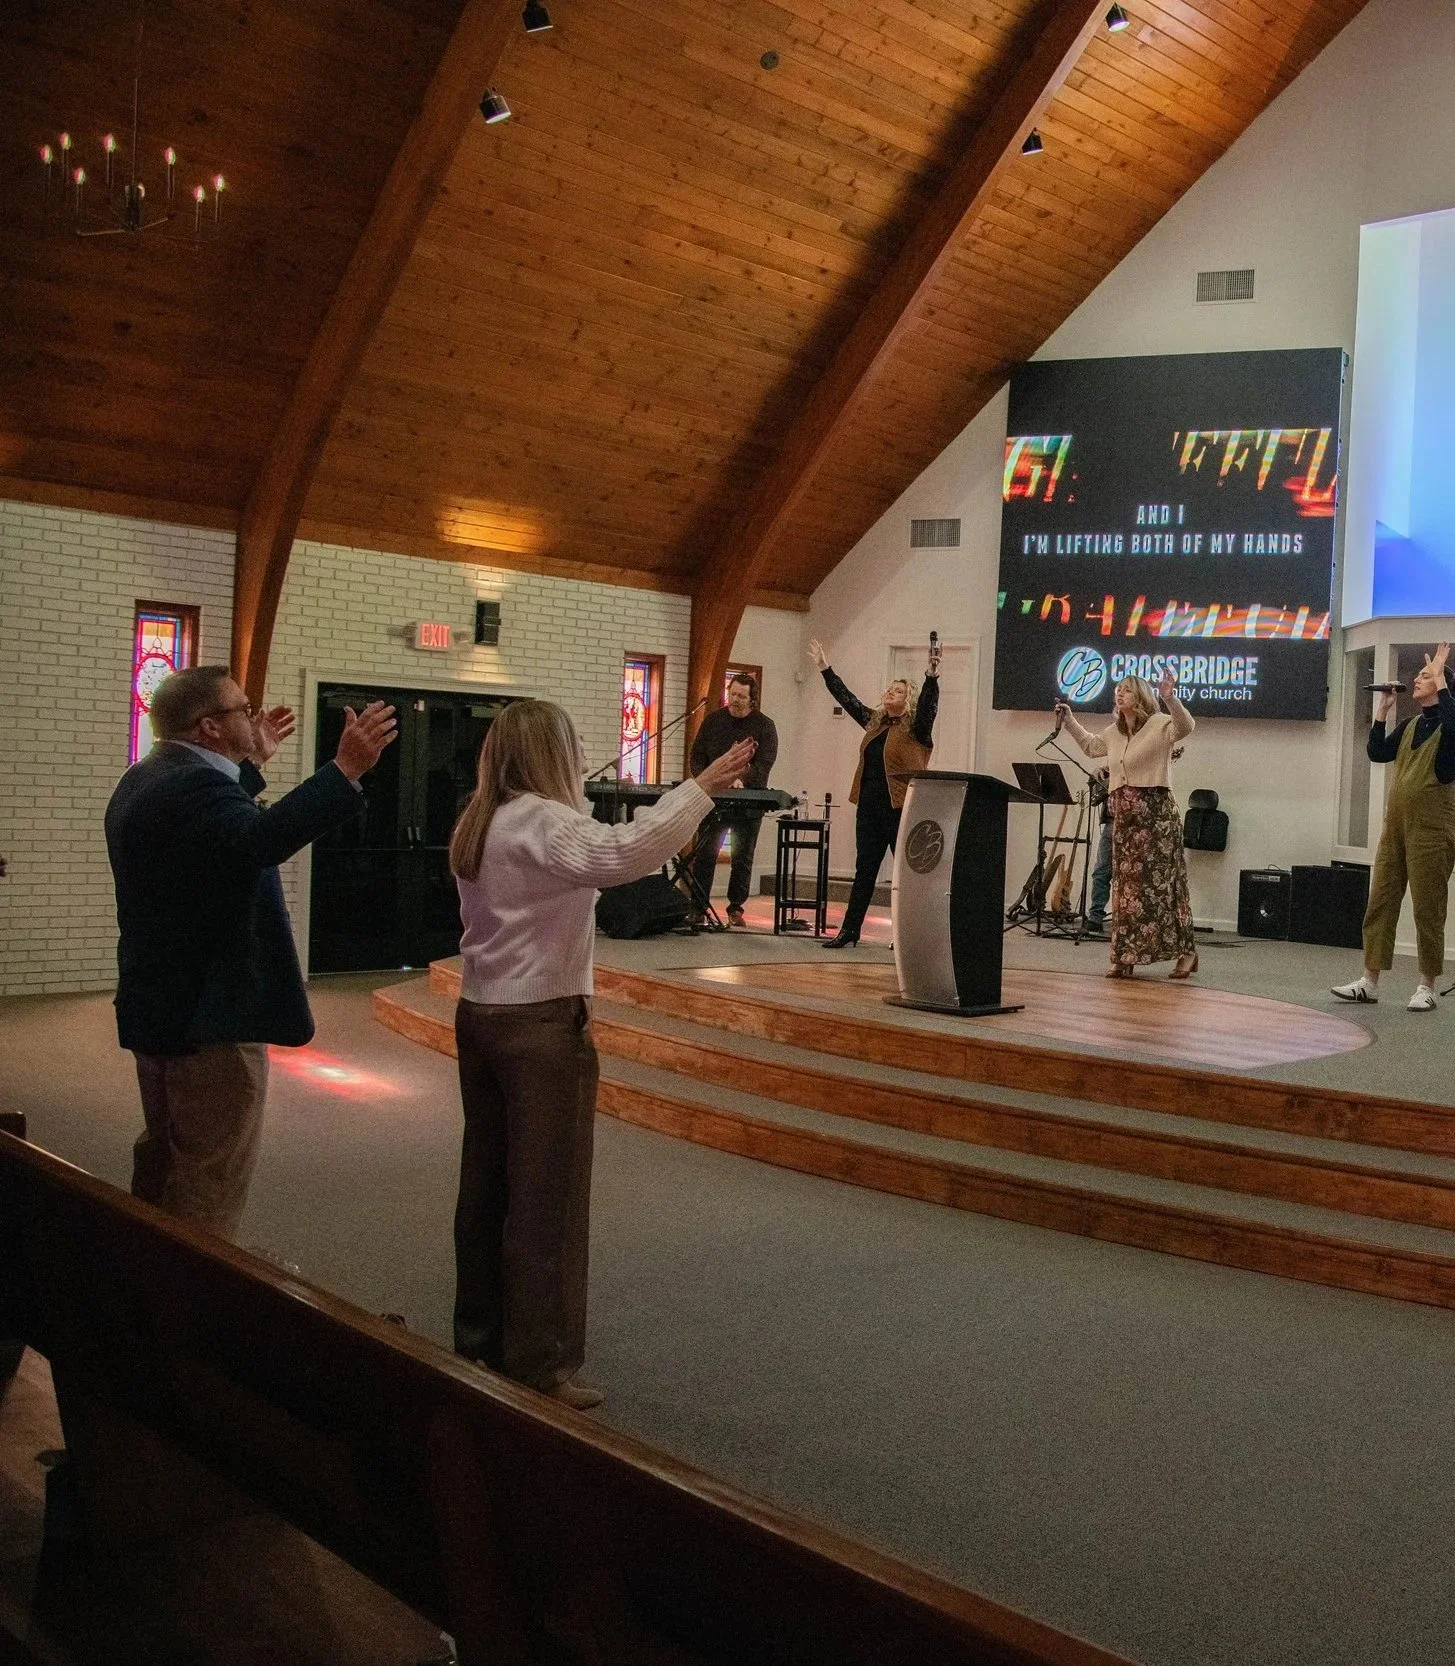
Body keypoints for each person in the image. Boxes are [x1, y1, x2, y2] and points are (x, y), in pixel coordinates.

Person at [448, 699, 754, 1410]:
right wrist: (700, 788)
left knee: (486, 1187)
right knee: (545, 1198)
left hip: (480, 1013)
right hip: (539, 1025)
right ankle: (538, 1364)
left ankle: (479, 1338)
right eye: (575, 743)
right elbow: (622, 855)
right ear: (549, 751)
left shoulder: (480, 818)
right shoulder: (540, 820)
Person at [105, 666, 397, 1237]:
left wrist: (253, 763)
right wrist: (345, 771)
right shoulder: (195, 789)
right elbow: (255, 842)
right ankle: (186, 1305)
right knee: (209, 1174)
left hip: (161, 1002)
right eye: (242, 709)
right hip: (207, 1016)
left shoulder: (148, 776)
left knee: (166, 1153)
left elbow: (216, 836)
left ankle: (137, 1277)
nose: (254, 714)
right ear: (210, 727)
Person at [1332, 643, 1455, 1012]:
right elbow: (1377, 753)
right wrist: (1382, 712)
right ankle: (1369, 981)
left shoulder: (1450, 728)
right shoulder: (1411, 724)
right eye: (1419, 674)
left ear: (1442, 685)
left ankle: (1427, 985)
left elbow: (1454, 720)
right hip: (1395, 829)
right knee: (1381, 901)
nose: (1416, 680)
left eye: (1425, 676)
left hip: (1433, 831)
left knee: (1427, 908)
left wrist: (1443, 678)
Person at [1057, 670, 1197, 979]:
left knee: (1161, 888)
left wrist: (1169, 697)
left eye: (1127, 691)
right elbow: (1091, 747)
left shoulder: (1160, 725)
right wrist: (1068, 720)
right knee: (1126, 891)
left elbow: (1186, 726)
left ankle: (1187, 952)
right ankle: (1125, 955)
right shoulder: (1114, 732)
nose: (1119, 694)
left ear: (1141, 697)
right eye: (1118, 690)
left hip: (1156, 819)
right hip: (1125, 820)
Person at [807, 638, 940, 948]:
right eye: (889, 689)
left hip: (899, 808)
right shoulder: (875, 723)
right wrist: (825, 668)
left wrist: (931, 677)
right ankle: (850, 930)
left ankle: (906, 936)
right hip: (869, 807)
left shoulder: (917, 728)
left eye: (897, 691)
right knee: (864, 869)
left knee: (905, 875)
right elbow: (848, 698)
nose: (889, 692)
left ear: (909, 700)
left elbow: (929, 708)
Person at [688, 672, 779, 926]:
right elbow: (696, 756)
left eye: (741, 696)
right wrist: (705, 780)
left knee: (743, 855)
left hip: (747, 802)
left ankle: (736, 908)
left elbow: (765, 763)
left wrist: (743, 779)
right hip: (714, 799)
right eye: (732, 694)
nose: (735, 699)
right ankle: (698, 906)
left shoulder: (765, 726)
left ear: (752, 700)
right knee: (706, 852)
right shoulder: (713, 721)